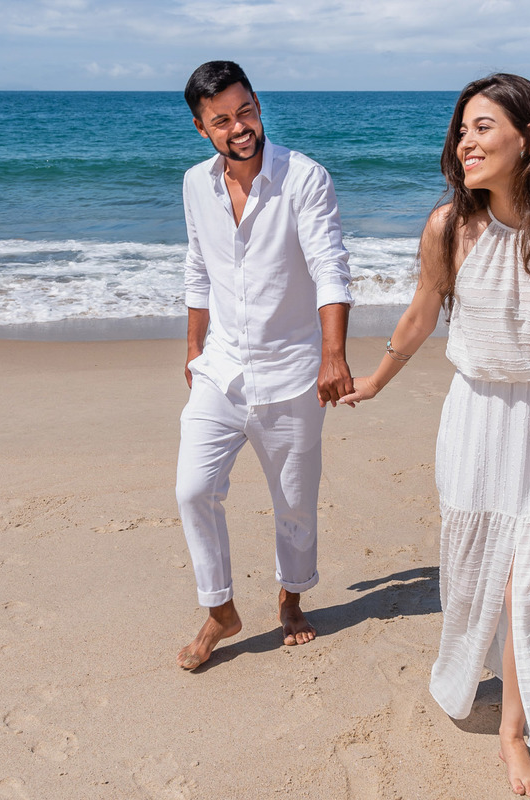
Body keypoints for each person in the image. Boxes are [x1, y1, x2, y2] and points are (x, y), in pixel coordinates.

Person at [339, 74, 530, 797]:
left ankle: (512, 734)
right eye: (461, 129)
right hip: (476, 422)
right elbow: (420, 317)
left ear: (529, 137)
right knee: (482, 580)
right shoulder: (448, 227)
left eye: (483, 126)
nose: (465, 141)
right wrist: (372, 380)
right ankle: (476, 678)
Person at [174, 61, 354, 671]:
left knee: (295, 503)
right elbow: (199, 268)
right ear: (202, 129)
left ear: (257, 105)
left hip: (294, 372)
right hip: (220, 368)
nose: (240, 127)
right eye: (222, 120)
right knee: (193, 489)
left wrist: (334, 355)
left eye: (246, 110)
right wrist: (194, 350)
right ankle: (220, 610)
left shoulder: (304, 178)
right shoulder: (195, 185)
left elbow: (331, 266)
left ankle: (291, 597)